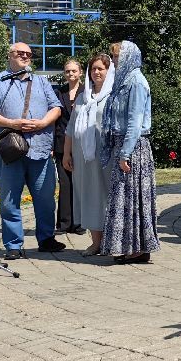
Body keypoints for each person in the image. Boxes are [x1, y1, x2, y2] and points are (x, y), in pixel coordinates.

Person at [0, 42, 64, 260]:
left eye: (29, 54)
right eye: (20, 53)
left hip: (40, 148)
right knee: (9, 201)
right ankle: (13, 245)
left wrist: (43, 123)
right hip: (10, 150)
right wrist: (11, 123)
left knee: (45, 199)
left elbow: (56, 108)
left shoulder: (41, 82)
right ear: (9, 56)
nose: (25, 57)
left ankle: (46, 239)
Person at [101, 40, 159, 263]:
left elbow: (135, 121)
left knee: (133, 199)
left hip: (133, 147)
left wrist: (125, 153)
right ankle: (132, 247)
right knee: (125, 200)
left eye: (116, 56)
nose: (114, 61)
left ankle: (138, 248)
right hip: (124, 145)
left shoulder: (136, 81)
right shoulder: (123, 80)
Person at [68, 52, 114, 256]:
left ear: (108, 71)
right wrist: (66, 154)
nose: (96, 72)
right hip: (82, 157)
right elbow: (70, 128)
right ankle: (96, 242)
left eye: (100, 68)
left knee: (106, 196)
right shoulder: (82, 97)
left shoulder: (113, 95)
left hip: (105, 156)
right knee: (88, 196)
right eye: (93, 69)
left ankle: (111, 241)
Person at [54, 58, 84, 236]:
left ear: (80, 72)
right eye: (67, 71)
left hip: (81, 143)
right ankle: (64, 223)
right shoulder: (59, 92)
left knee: (80, 183)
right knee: (65, 184)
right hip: (61, 143)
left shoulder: (86, 91)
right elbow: (55, 119)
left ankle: (79, 223)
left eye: (74, 71)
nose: (71, 74)